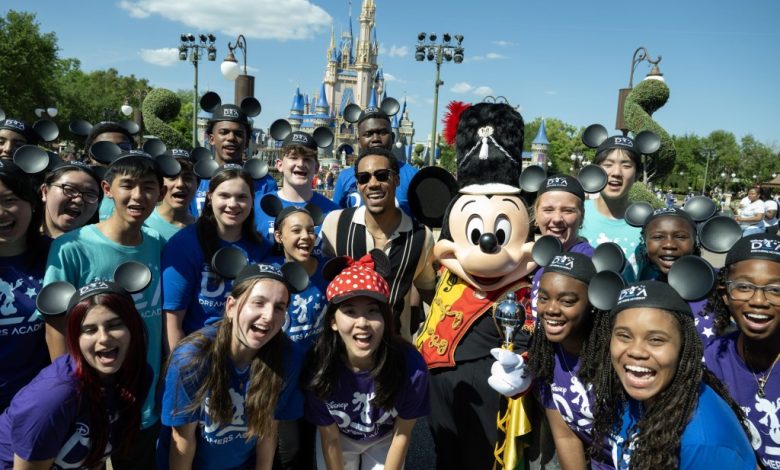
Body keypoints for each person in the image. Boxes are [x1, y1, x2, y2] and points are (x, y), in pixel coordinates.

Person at [42, 152, 166, 470]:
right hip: (89, 397)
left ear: (160, 193)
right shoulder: (72, 247)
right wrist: (70, 392)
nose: (138, 196)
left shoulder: (159, 245)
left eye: (148, 187)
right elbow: (55, 326)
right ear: (108, 189)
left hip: (142, 396)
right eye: (128, 185)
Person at [589, 281, 756, 469]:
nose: (636, 351)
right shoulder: (626, 395)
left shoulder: (704, 444)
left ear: (683, 347)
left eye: (656, 340)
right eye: (624, 336)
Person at [158, 262, 304, 470]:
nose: (269, 316)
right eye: (258, 303)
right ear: (231, 307)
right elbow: (183, 440)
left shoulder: (288, 357)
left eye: (279, 307)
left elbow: (268, 430)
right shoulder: (191, 358)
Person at [0, 279, 149, 469]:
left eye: (114, 325)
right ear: (75, 339)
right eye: (90, 330)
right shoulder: (53, 398)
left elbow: (98, 455)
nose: (104, 338)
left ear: (133, 327)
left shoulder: (138, 375)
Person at [305, 251, 430, 470]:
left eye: (373, 311)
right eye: (350, 311)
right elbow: (330, 437)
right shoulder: (318, 367)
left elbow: (402, 434)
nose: (362, 322)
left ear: (386, 319)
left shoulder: (412, 368)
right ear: (333, 321)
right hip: (339, 437)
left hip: (386, 437)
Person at [321, 147, 435, 340]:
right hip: (344, 347)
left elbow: (429, 291)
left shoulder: (421, 237)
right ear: (358, 185)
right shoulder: (335, 224)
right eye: (364, 178)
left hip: (395, 346)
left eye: (382, 176)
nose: (373, 184)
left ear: (396, 180)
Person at [162, 166, 269, 354]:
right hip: (199, 354)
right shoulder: (184, 244)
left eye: (242, 197)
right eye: (224, 196)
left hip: (249, 354)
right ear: (210, 197)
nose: (233, 204)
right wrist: (180, 365)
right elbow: (172, 321)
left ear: (252, 200)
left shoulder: (262, 247)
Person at [527, 252, 612, 469]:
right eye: (543, 298)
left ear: (592, 302)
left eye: (566, 301)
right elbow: (566, 437)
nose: (551, 309)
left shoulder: (615, 355)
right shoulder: (545, 358)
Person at [705, 233, 780, 468]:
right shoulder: (713, 360)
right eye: (744, 287)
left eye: (776, 290)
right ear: (725, 295)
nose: (758, 300)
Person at [266, 205, 328, 470]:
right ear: (279, 236)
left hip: (319, 376)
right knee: (288, 452)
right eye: (296, 230)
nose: (305, 237)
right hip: (283, 379)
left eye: (311, 230)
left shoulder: (327, 271)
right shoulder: (269, 275)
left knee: (313, 446)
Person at [0, 160, 51, 411]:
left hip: (36, 407)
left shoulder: (57, 255)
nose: (1, 212)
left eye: (9, 200)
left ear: (32, 202)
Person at [633, 207, 717, 344]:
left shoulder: (720, 283)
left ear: (695, 242)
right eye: (658, 237)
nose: (669, 244)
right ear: (645, 242)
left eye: (680, 237)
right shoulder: (641, 290)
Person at [579, 131, 650, 281]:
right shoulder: (576, 213)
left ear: (637, 174)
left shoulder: (648, 223)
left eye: (626, 165)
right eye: (608, 164)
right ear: (596, 170)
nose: (616, 172)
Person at [254, 131, 337, 258]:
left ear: (316, 167)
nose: (301, 164)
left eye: (307, 159)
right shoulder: (257, 207)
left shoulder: (333, 212)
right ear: (279, 165)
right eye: (293, 157)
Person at [190, 105, 276, 216]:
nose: (231, 138)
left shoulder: (266, 183)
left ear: (246, 142)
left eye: (238, 134)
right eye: (224, 132)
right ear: (211, 139)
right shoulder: (194, 179)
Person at [331, 109, 418, 217]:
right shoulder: (344, 177)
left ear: (392, 138)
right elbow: (336, 218)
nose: (376, 139)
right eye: (368, 134)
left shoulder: (413, 176)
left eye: (382, 133)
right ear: (359, 141)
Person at [530, 175, 595, 316]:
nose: (557, 219)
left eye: (567, 211)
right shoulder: (527, 259)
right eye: (548, 210)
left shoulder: (592, 261)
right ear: (536, 215)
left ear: (582, 216)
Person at [145, 149, 197, 242]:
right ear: (160, 183)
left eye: (188, 178)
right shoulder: (143, 224)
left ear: (197, 184)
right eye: (172, 177)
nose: (180, 184)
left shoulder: (204, 229)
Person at [40, 160, 101, 239]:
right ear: (45, 192)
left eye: (90, 195)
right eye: (70, 190)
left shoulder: (100, 245)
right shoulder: (24, 239)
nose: (78, 201)